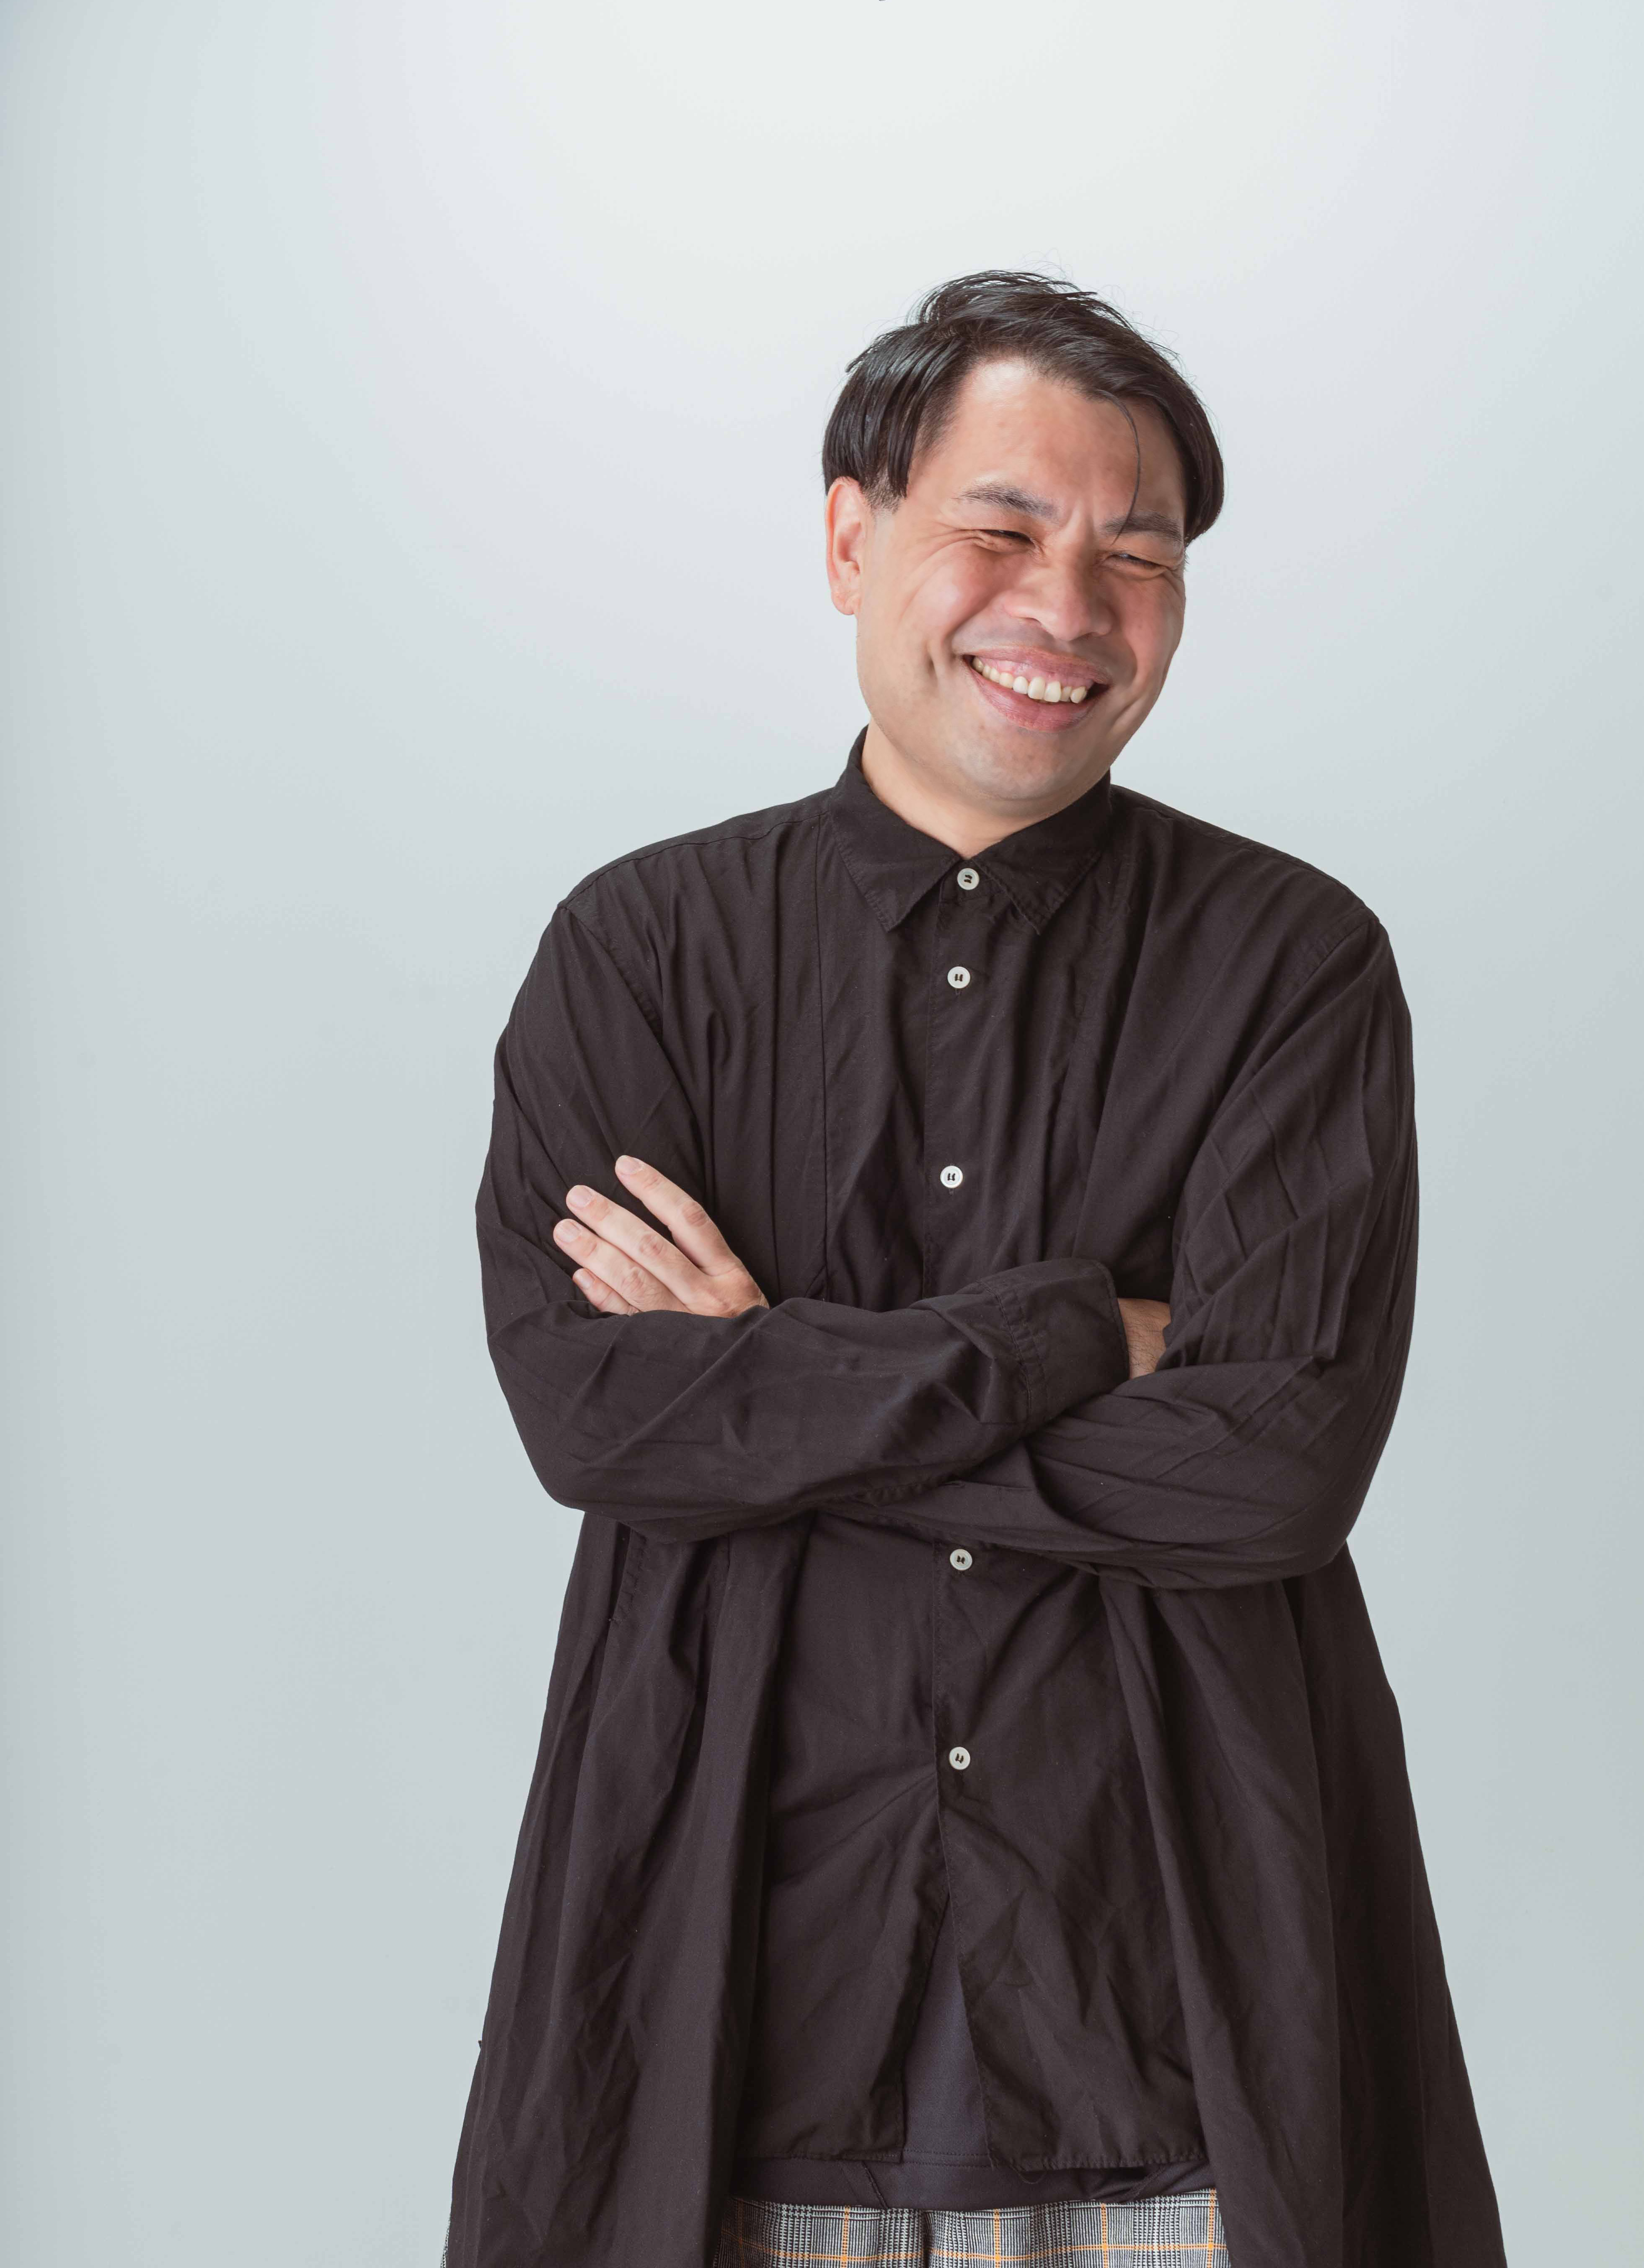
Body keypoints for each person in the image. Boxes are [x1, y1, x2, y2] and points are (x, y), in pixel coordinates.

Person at [443, 272, 1506, 2268]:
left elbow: (1270, 1471)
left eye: (1138, 554)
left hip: (1168, 2010)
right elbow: (599, 1420)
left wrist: (770, 1381)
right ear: (852, 538)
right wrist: (1068, 1335)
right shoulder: (640, 953)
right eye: (1003, 529)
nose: (1070, 606)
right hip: (726, 2008)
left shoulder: (1289, 968)